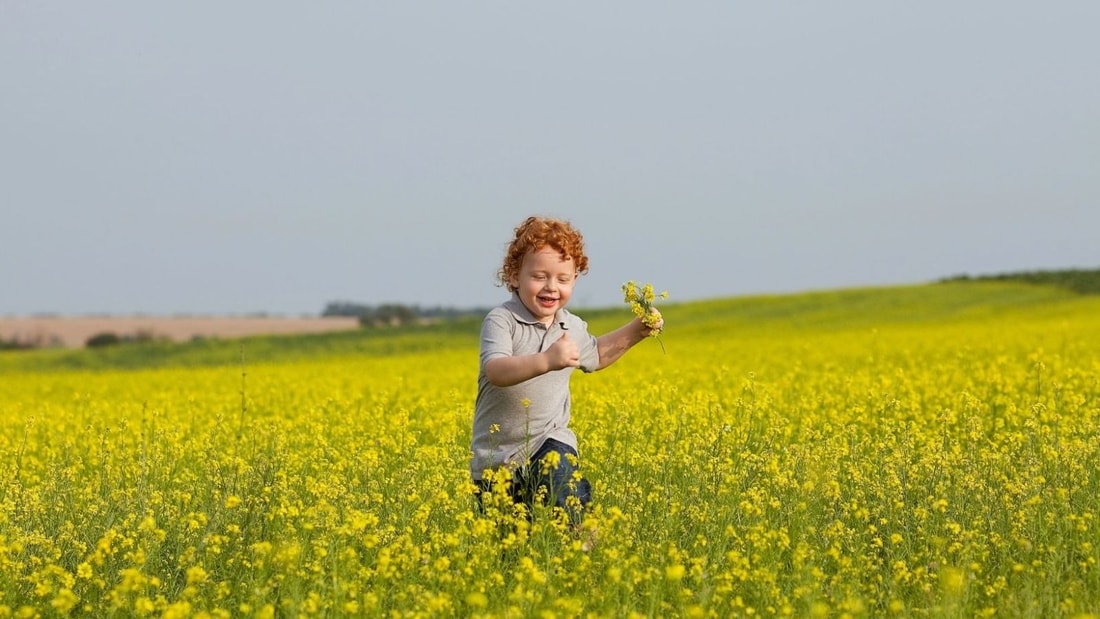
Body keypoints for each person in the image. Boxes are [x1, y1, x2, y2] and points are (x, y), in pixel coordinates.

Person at [470, 215, 663, 529]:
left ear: (575, 279)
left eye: (563, 278)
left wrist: (637, 331)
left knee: (561, 476)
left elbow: (597, 354)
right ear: (514, 276)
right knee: (510, 549)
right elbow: (496, 370)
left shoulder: (569, 325)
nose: (551, 287)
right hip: (496, 460)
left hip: (548, 438)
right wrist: (546, 360)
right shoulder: (501, 320)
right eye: (539, 276)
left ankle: (584, 540)